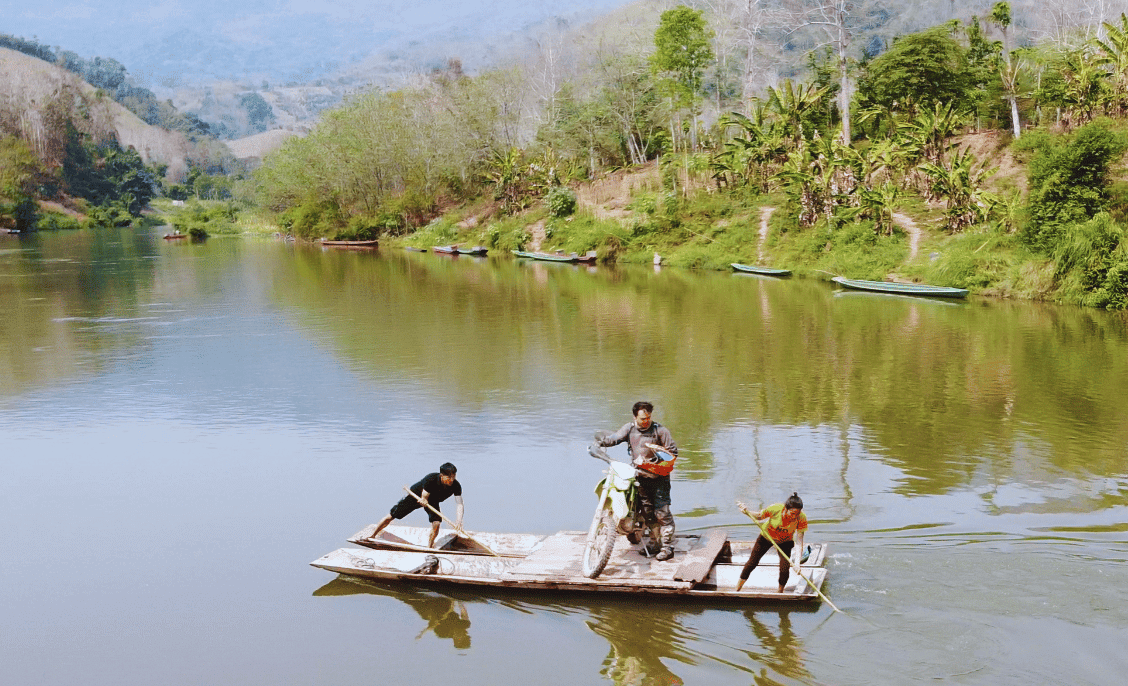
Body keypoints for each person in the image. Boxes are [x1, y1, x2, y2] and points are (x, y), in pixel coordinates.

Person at [597, 401, 679, 561]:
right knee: (647, 513)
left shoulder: (660, 431)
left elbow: (673, 452)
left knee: (662, 513)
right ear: (635, 417)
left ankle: (668, 547)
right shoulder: (629, 429)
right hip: (640, 479)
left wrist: (654, 461)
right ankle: (655, 543)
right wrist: (599, 442)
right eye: (642, 419)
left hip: (659, 479)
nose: (645, 421)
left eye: (648, 418)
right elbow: (614, 439)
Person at [364, 462, 463, 548]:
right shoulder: (431, 479)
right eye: (449, 477)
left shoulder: (456, 485)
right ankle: (373, 535)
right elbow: (424, 496)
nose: (451, 480)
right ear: (442, 475)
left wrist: (458, 521)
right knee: (392, 515)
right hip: (416, 496)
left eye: (453, 477)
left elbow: (459, 504)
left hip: (433, 500)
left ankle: (429, 547)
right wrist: (424, 500)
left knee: (436, 523)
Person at [735, 492, 807, 593]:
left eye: (797, 514)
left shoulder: (801, 518)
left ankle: (780, 592)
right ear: (785, 509)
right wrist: (747, 512)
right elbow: (760, 516)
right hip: (766, 537)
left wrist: (797, 564)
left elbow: (799, 542)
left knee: (784, 568)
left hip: (785, 541)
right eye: (792, 513)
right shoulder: (776, 508)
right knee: (752, 562)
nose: (795, 516)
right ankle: (737, 589)